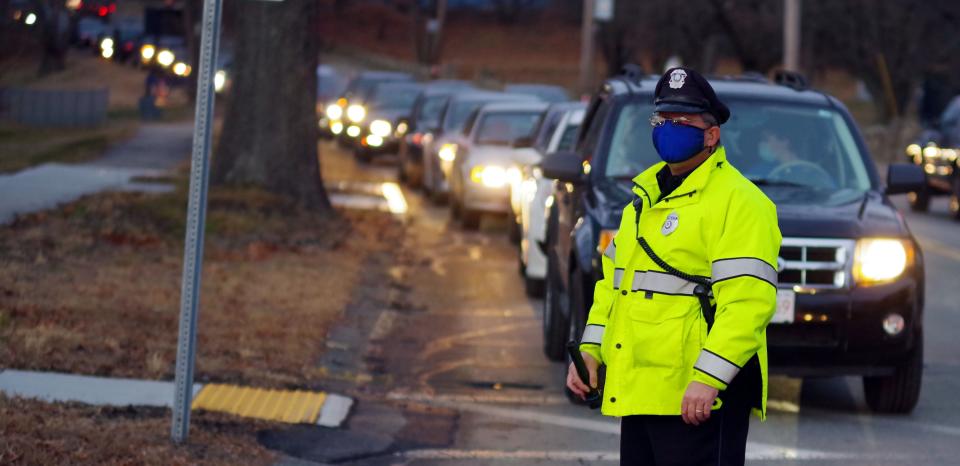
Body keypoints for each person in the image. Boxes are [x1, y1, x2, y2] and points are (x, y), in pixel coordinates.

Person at [566, 67, 782, 466]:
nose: (668, 129)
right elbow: (614, 288)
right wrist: (590, 352)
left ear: (711, 135)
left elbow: (748, 305)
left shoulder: (742, 203)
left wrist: (709, 379)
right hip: (642, 391)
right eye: (662, 120)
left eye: (681, 122)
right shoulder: (643, 199)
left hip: (698, 399)